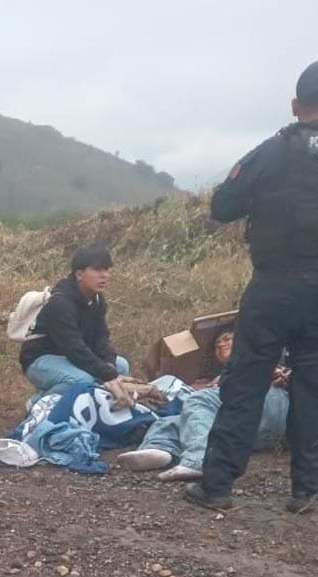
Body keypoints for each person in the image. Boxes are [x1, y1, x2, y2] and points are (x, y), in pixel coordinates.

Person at [185, 61, 318, 513]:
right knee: (313, 387)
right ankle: (307, 490)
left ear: (295, 105)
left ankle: (217, 485)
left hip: (273, 286)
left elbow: (223, 206)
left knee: (245, 381)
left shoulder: (269, 153)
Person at [117, 328, 290, 481]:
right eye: (217, 343)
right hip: (246, 430)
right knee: (173, 420)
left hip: (275, 403)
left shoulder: (265, 352)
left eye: (228, 338)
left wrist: (274, 372)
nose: (222, 344)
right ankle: (161, 449)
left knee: (199, 400)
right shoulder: (210, 378)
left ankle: (198, 459)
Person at [19, 245, 136, 407]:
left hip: (69, 357)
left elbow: (101, 337)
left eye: (106, 270)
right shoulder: (60, 303)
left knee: (121, 366)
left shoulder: (96, 300)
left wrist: (109, 364)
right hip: (40, 360)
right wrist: (105, 372)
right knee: (81, 381)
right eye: (96, 270)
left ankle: (94, 406)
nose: (104, 276)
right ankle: (38, 403)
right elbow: (73, 347)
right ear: (79, 274)